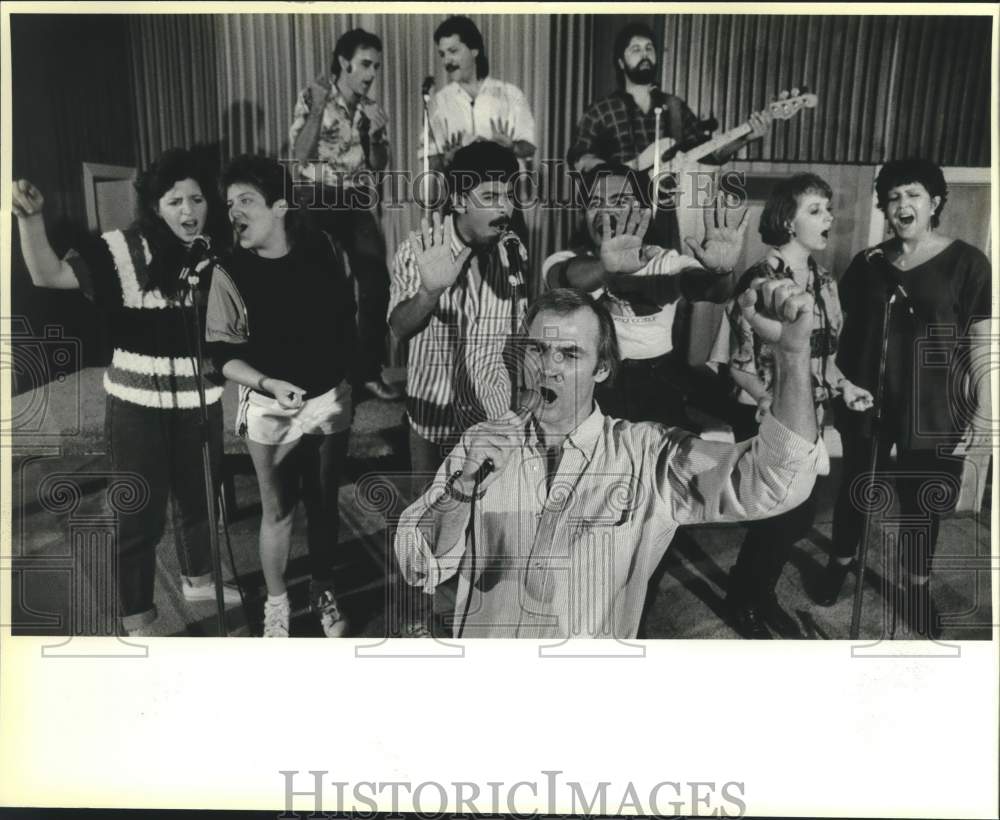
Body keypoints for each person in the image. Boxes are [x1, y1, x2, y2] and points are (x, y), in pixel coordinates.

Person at [393, 284, 828, 639]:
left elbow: (776, 480)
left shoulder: (648, 455)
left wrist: (791, 357)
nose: (548, 368)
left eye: (570, 354)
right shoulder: (480, 446)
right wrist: (461, 492)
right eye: (538, 350)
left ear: (603, 369)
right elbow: (417, 563)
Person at [12, 148, 241, 637]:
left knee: (201, 501)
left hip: (199, 401)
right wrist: (31, 220)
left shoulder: (217, 251)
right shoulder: (122, 248)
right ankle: (137, 615)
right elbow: (46, 275)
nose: (187, 210)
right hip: (136, 404)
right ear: (155, 206)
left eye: (196, 199)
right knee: (138, 512)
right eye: (175, 200)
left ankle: (199, 578)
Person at [816, 158, 992, 638]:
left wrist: (983, 407)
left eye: (912, 195)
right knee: (856, 486)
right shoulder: (868, 263)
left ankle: (916, 587)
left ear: (934, 203)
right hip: (866, 400)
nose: (901, 205)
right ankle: (841, 562)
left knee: (922, 503)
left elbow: (981, 340)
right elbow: (837, 327)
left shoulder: (968, 262)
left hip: (934, 405)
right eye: (893, 197)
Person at [713, 174, 873, 639]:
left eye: (828, 207)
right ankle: (743, 599)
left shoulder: (825, 281)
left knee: (796, 513)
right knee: (783, 514)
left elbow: (823, 358)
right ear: (787, 220)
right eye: (816, 209)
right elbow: (739, 366)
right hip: (767, 413)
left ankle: (757, 593)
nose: (829, 217)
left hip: (810, 413)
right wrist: (766, 398)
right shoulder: (760, 282)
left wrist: (846, 387)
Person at [205, 155, 358, 638]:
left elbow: (346, 317)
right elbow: (222, 356)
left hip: (329, 396)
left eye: (246, 200)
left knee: (323, 501)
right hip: (270, 403)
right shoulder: (227, 270)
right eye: (229, 203)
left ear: (280, 206)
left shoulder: (326, 248)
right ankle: (276, 603)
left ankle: (322, 588)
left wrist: (338, 381)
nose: (233, 212)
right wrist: (270, 384)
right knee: (278, 510)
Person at [388, 140, 527, 635]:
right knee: (425, 520)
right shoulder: (418, 248)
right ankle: (415, 622)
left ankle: (474, 620)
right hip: (433, 413)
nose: (506, 207)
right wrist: (430, 290)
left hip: (488, 417)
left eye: (510, 194)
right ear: (459, 199)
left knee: (482, 524)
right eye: (492, 195)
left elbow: (517, 330)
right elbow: (399, 328)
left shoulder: (511, 250)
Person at [543, 162, 746, 428]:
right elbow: (566, 279)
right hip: (591, 386)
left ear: (644, 210)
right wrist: (606, 267)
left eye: (620, 201)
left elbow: (711, 290)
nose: (605, 212)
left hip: (659, 385)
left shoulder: (664, 261)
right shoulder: (568, 260)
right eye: (595, 203)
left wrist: (721, 273)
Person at [567, 22, 770, 250]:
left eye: (649, 48)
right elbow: (579, 156)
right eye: (636, 49)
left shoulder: (674, 107)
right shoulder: (601, 110)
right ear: (621, 62)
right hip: (617, 211)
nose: (644, 54)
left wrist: (746, 137)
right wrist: (618, 171)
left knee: (662, 269)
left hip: (663, 211)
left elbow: (707, 152)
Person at [289, 27, 401, 402]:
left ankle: (367, 371)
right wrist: (319, 108)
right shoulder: (314, 93)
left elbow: (379, 166)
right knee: (318, 283)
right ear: (344, 62)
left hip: (354, 198)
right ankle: (316, 372)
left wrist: (378, 136)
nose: (371, 74)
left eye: (376, 66)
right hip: (314, 194)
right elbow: (300, 156)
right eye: (365, 64)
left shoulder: (370, 109)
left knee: (376, 282)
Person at [419, 15, 536, 171]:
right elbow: (428, 157)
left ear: (474, 50)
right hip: (460, 192)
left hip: (504, 190)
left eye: (453, 51)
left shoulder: (510, 95)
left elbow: (530, 146)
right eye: (442, 54)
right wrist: (446, 159)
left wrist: (511, 147)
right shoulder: (438, 102)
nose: (446, 61)